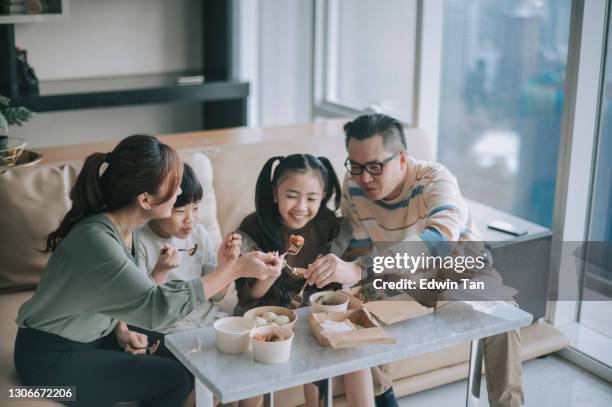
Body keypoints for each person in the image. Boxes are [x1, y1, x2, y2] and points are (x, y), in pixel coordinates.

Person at [14, 135, 282, 407]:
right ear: (145, 200)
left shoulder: (128, 232)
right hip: (48, 362)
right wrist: (235, 269)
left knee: (192, 354)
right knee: (176, 377)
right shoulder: (95, 239)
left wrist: (120, 330)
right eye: (174, 186)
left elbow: (122, 297)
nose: (179, 193)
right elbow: (155, 307)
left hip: (95, 338)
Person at [305, 113, 524, 407]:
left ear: (403, 158)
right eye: (355, 166)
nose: (364, 178)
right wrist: (337, 267)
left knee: (503, 315)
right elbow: (357, 241)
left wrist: (362, 268)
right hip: (402, 274)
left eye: (374, 167)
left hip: (459, 267)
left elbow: (440, 239)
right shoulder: (354, 184)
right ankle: (385, 399)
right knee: (357, 309)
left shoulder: (435, 179)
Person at [234, 154, 375, 407]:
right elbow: (249, 296)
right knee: (256, 359)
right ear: (275, 193)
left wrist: (341, 273)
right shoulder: (254, 227)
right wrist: (269, 275)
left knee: (355, 352)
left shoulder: (332, 226)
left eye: (311, 198)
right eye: (291, 196)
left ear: (322, 196)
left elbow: (352, 274)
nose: (301, 207)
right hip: (267, 310)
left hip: (318, 310)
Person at [137, 163, 240, 333]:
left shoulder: (199, 233)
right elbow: (145, 305)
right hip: (171, 324)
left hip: (208, 317)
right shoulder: (140, 241)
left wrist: (225, 266)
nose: (190, 219)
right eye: (180, 211)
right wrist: (161, 269)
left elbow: (217, 295)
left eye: (196, 209)